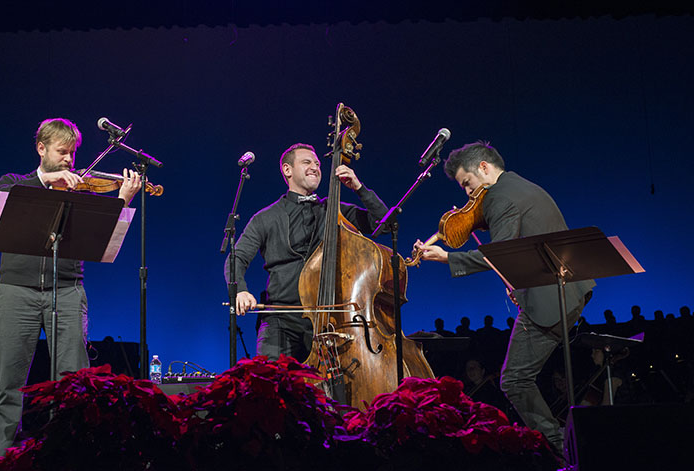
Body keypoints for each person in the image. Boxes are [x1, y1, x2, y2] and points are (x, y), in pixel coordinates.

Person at [413, 141, 595, 455]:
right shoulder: (521, 187)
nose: (468, 194)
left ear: (484, 167)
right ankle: (565, 447)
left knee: (514, 380)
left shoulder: (499, 196)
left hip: (549, 299)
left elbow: (497, 253)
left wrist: (446, 257)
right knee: (521, 377)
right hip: (569, 291)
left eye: (467, 183)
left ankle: (561, 450)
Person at [0, 118, 140, 457]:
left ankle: (70, 459)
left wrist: (122, 200)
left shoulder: (81, 191)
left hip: (68, 291)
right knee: (9, 382)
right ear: (41, 149)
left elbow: (105, 239)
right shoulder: (14, 182)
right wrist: (46, 181)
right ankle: (1, 462)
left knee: (73, 383)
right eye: (62, 152)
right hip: (17, 291)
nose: (69, 160)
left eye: (72, 153)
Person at [226, 143, 389, 362]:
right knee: (270, 378)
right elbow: (236, 258)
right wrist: (241, 291)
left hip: (330, 321)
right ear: (287, 170)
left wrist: (359, 188)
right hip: (280, 320)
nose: (315, 167)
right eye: (307, 162)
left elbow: (383, 225)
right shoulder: (265, 218)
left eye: (317, 164)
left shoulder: (335, 211)